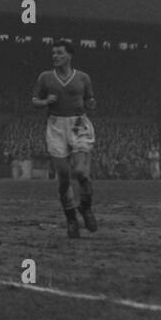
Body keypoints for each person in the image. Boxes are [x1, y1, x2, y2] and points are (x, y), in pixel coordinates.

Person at [31, 39, 98, 239]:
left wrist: (91, 103)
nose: (55, 56)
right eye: (53, 53)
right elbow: (34, 100)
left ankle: (85, 208)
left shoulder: (83, 78)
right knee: (63, 177)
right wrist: (44, 101)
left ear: (69, 55)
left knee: (81, 172)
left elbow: (89, 99)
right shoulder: (45, 77)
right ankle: (70, 218)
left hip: (78, 124)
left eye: (59, 53)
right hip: (56, 125)